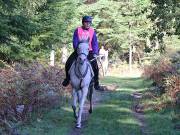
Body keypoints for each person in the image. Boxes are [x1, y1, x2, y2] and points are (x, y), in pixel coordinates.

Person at [62, 15, 104, 91]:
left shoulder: (92, 31)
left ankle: (96, 84)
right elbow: (75, 41)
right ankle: (67, 79)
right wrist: (78, 50)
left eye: (89, 23)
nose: (88, 24)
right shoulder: (77, 30)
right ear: (83, 23)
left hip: (89, 51)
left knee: (95, 66)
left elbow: (94, 43)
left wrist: (95, 52)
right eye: (86, 22)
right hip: (79, 51)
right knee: (68, 62)